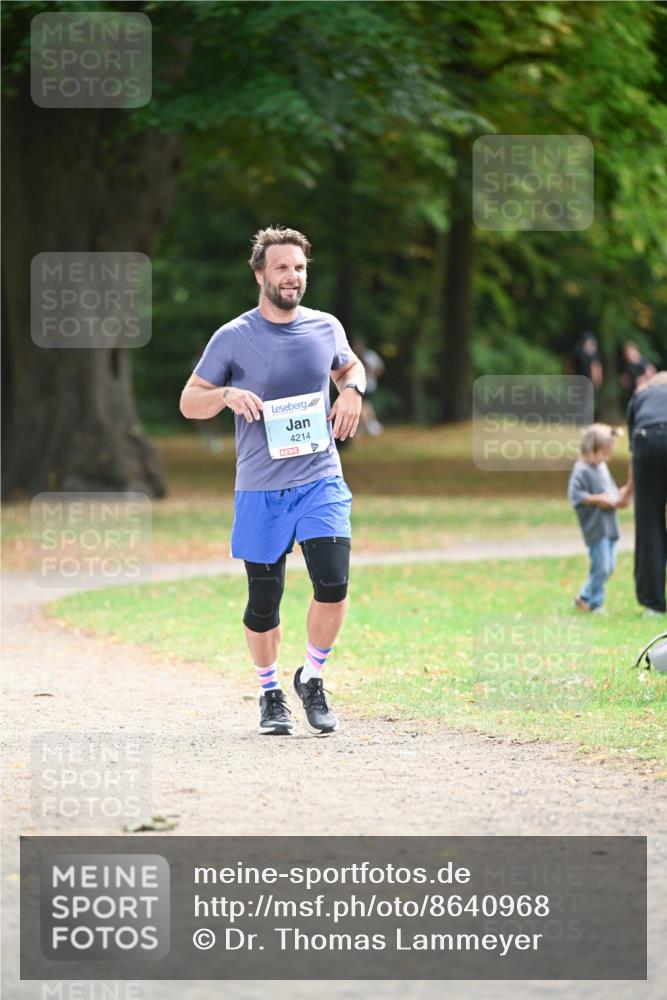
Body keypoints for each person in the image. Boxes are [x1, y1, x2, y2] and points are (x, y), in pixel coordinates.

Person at [179, 227, 366, 735]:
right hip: (260, 488)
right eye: (282, 267)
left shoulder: (325, 327)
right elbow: (189, 401)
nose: (293, 276)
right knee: (264, 600)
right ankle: (270, 693)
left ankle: (312, 677)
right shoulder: (233, 336)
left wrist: (352, 391)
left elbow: (350, 367)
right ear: (260, 274)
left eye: (300, 268)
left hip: (320, 478)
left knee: (333, 582)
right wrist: (225, 395)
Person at [568, 424, 630, 613]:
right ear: (590, 450)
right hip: (595, 528)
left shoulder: (601, 467)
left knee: (608, 567)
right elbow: (575, 494)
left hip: (609, 525)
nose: (605, 459)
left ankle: (585, 597)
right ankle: (594, 602)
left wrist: (619, 495)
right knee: (601, 566)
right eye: (603, 454)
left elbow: (609, 490)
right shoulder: (581, 470)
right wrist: (597, 500)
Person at [625, 372, 667, 616]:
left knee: (649, 522)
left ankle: (653, 604)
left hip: (646, 439)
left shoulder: (640, 395)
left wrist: (629, 490)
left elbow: (633, 452)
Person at [352, 339, 385, 435]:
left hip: (368, 385)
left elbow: (380, 367)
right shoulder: (354, 356)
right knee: (365, 405)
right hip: (359, 384)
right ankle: (368, 425)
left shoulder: (370, 355)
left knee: (364, 405)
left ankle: (368, 426)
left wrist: (373, 375)